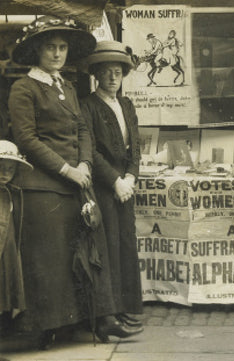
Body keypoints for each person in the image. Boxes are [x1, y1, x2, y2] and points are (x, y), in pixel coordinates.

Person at [7, 15, 120, 349]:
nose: (57, 54)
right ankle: (48, 327)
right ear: (36, 52)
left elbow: (82, 129)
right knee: (51, 259)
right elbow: (27, 140)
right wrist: (66, 169)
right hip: (44, 186)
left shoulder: (67, 87)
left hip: (77, 182)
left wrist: (84, 162)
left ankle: (94, 321)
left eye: (62, 48)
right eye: (50, 48)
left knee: (87, 252)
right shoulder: (23, 88)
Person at [80, 40, 144, 341]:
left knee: (125, 244)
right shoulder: (88, 106)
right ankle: (110, 311)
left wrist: (131, 176)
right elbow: (91, 151)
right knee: (108, 247)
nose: (112, 77)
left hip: (125, 186)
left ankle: (124, 307)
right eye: (106, 72)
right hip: (105, 187)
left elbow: (136, 146)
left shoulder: (127, 105)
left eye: (117, 72)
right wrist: (115, 181)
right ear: (96, 75)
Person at [0, 140, 32, 337]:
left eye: (10, 169)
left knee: (5, 294)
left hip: (7, 250)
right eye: (1, 168)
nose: (5, 173)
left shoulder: (12, 193)